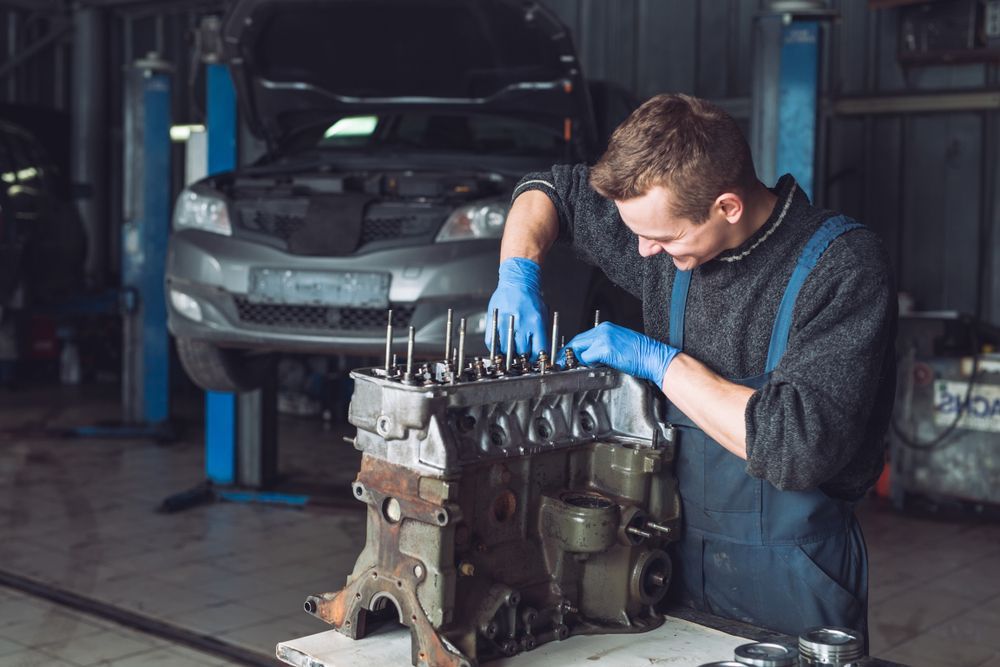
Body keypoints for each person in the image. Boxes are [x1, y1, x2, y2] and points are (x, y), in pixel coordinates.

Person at [485, 93, 896, 639]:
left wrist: (656, 360)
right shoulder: (660, 224)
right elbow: (550, 190)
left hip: (791, 577)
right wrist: (519, 270)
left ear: (727, 206)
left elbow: (797, 448)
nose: (643, 252)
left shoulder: (842, 268)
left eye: (663, 238)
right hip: (665, 557)